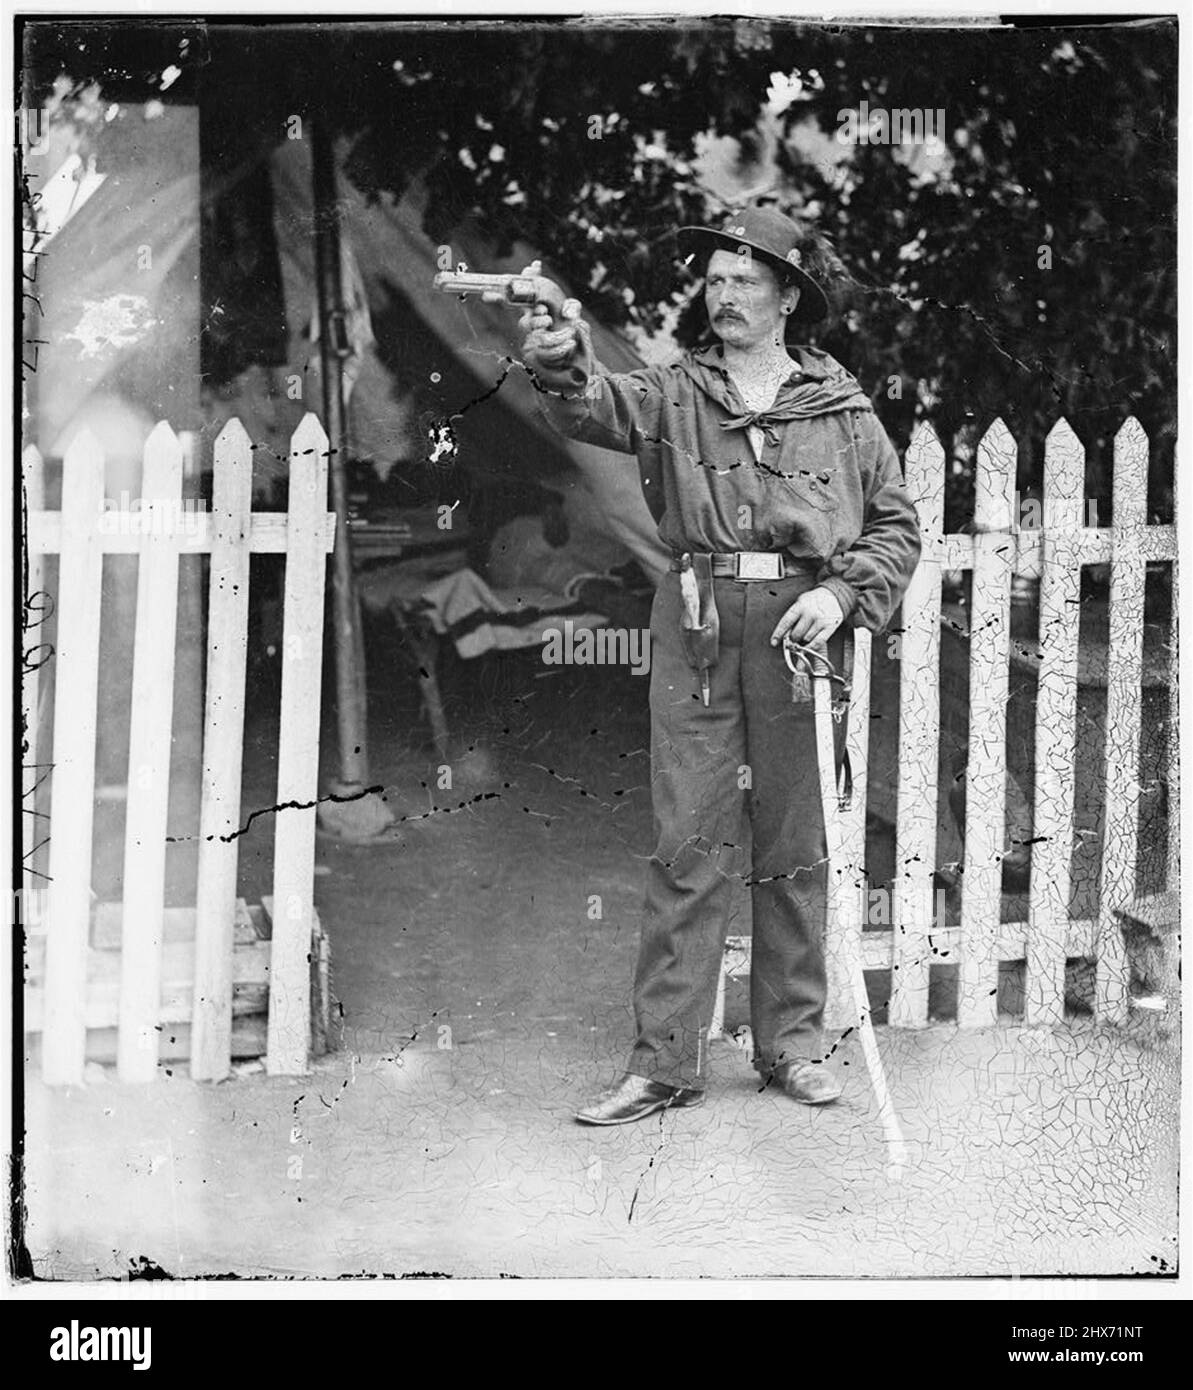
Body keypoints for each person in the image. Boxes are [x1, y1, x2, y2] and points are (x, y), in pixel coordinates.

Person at [519, 204, 921, 1124]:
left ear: (787, 296)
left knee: (794, 843)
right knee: (686, 839)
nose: (724, 294)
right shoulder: (671, 393)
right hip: (695, 619)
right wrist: (555, 351)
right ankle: (663, 1061)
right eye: (714, 280)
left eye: (745, 280)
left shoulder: (842, 411)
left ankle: (790, 1045)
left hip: (800, 625)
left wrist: (840, 593)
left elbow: (896, 524)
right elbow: (587, 402)